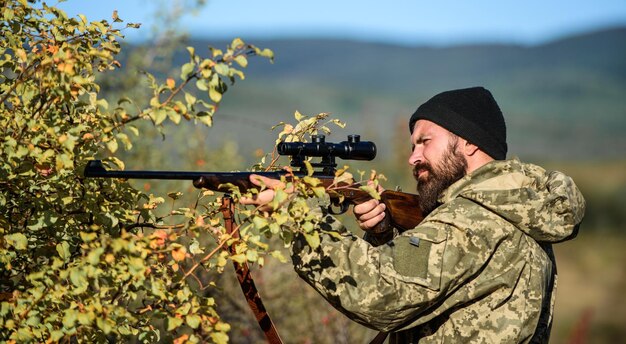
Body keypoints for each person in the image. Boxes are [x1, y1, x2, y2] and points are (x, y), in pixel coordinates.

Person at [242, 87, 585, 343]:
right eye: (412, 146)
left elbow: (379, 294)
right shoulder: (516, 208)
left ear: (468, 142)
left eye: (425, 141)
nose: (413, 157)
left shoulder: (472, 220)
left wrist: (302, 215)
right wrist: (382, 235)